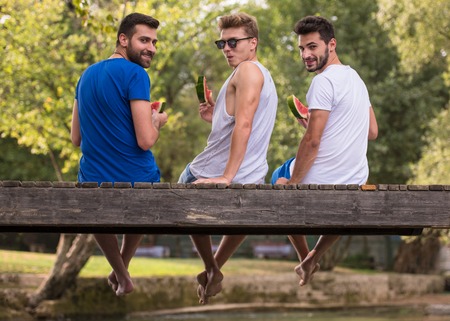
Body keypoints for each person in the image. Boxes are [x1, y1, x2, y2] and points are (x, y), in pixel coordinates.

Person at [178, 12, 278, 304]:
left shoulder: (248, 71)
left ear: (253, 43)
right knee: (242, 221)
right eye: (221, 43)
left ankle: (211, 267)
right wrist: (215, 117)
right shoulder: (258, 74)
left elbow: (245, 124)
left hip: (216, 172)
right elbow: (239, 123)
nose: (227, 49)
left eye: (233, 42)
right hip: (253, 175)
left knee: (185, 187)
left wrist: (226, 176)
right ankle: (214, 270)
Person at [273, 15, 378, 286]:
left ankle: (304, 256)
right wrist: (315, 124)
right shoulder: (356, 79)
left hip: (320, 181)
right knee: (343, 211)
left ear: (331, 44)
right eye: (301, 49)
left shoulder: (322, 81)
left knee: (277, 176)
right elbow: (371, 131)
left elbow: (313, 141)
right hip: (355, 180)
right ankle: (312, 259)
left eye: (312, 47)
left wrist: (293, 183)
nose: (306, 55)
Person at [70, 13, 168, 296]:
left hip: (93, 182)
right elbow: (145, 140)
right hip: (138, 180)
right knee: (148, 192)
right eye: (144, 40)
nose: (151, 47)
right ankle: (122, 271)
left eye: (154, 42)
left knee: (94, 205)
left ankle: (121, 273)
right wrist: (157, 121)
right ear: (123, 40)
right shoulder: (137, 74)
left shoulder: (85, 75)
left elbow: (75, 138)